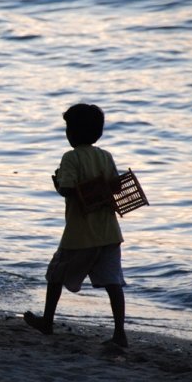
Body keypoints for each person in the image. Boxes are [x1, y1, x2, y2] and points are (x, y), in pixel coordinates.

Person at [24, 103, 128, 347]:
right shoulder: (105, 156)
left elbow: (68, 190)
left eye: (67, 128)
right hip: (109, 232)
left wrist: (57, 183)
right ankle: (120, 333)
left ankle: (47, 321)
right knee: (113, 282)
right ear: (98, 133)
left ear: (71, 133)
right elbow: (116, 186)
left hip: (79, 234)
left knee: (56, 274)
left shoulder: (70, 158)